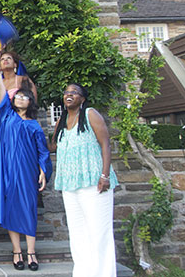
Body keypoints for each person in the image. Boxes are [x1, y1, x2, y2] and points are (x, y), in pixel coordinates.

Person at [49, 83, 119, 277]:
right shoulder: (61, 121)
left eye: (74, 93)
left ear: (82, 98)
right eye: (66, 92)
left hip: (94, 182)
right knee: (78, 234)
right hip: (70, 185)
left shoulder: (90, 115)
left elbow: (105, 144)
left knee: (99, 233)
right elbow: (52, 146)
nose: (69, 95)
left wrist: (104, 175)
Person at [0, 49, 50, 272]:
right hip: (6, 169)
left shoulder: (34, 125)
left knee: (28, 207)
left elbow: (43, 151)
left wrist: (43, 170)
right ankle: (17, 251)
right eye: (18, 96)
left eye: (25, 96)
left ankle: (31, 252)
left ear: (30, 101)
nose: (21, 98)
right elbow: (2, 93)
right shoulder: (5, 116)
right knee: (11, 208)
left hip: (26, 171)